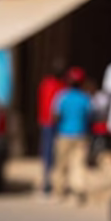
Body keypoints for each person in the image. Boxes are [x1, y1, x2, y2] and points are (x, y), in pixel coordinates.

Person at [50, 67, 93, 205]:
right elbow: (91, 115)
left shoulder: (62, 96)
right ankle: (78, 191)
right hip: (80, 134)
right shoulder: (85, 99)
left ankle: (58, 192)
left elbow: (55, 115)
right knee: (78, 163)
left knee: (61, 164)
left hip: (64, 134)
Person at [37, 58, 65, 197]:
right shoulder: (60, 86)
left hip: (47, 122)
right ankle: (48, 182)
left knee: (49, 152)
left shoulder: (46, 84)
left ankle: (48, 181)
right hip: (53, 123)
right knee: (52, 153)